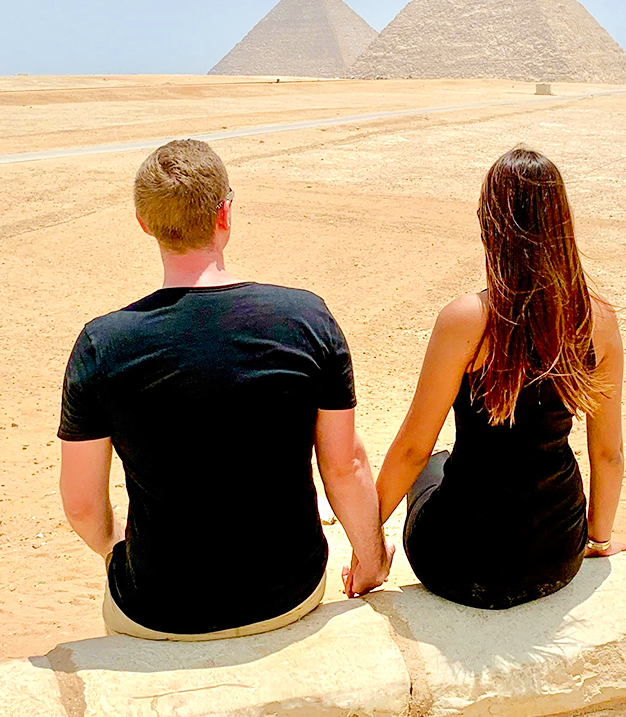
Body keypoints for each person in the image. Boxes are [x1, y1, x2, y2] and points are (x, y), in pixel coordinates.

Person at [58, 139, 392, 640]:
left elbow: (82, 505)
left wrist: (114, 548)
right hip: (289, 594)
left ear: (144, 224)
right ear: (225, 214)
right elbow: (344, 466)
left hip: (158, 609)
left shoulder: (102, 344)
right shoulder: (305, 319)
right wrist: (370, 561)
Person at [374, 146, 626, 609]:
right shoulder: (598, 320)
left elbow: (412, 448)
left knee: (432, 461)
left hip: (456, 564)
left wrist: (368, 547)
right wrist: (598, 538)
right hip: (557, 558)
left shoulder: (466, 320)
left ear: (489, 223)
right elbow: (607, 453)